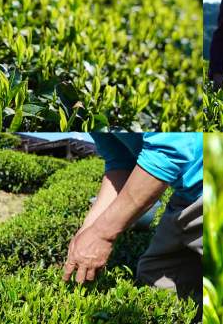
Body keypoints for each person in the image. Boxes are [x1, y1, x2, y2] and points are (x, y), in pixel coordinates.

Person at [62, 133, 202, 321]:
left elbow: (168, 151)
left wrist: (102, 234)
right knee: (154, 278)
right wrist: (86, 232)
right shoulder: (87, 113)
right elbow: (120, 163)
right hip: (186, 195)